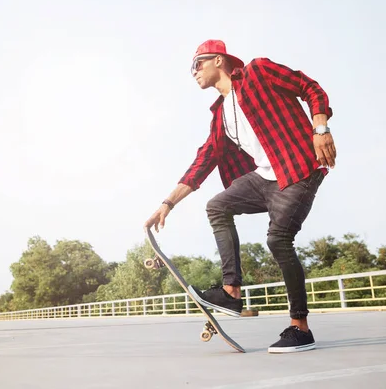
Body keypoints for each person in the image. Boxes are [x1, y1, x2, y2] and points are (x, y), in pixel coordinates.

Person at [143, 39, 337, 353]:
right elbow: (204, 160)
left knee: (278, 240)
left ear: (218, 60)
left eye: (197, 64)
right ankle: (231, 292)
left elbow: (309, 87)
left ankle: (300, 327)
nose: (194, 72)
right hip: (263, 179)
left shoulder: (258, 72)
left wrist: (320, 128)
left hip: (298, 170)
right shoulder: (220, 114)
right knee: (217, 206)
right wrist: (167, 203)